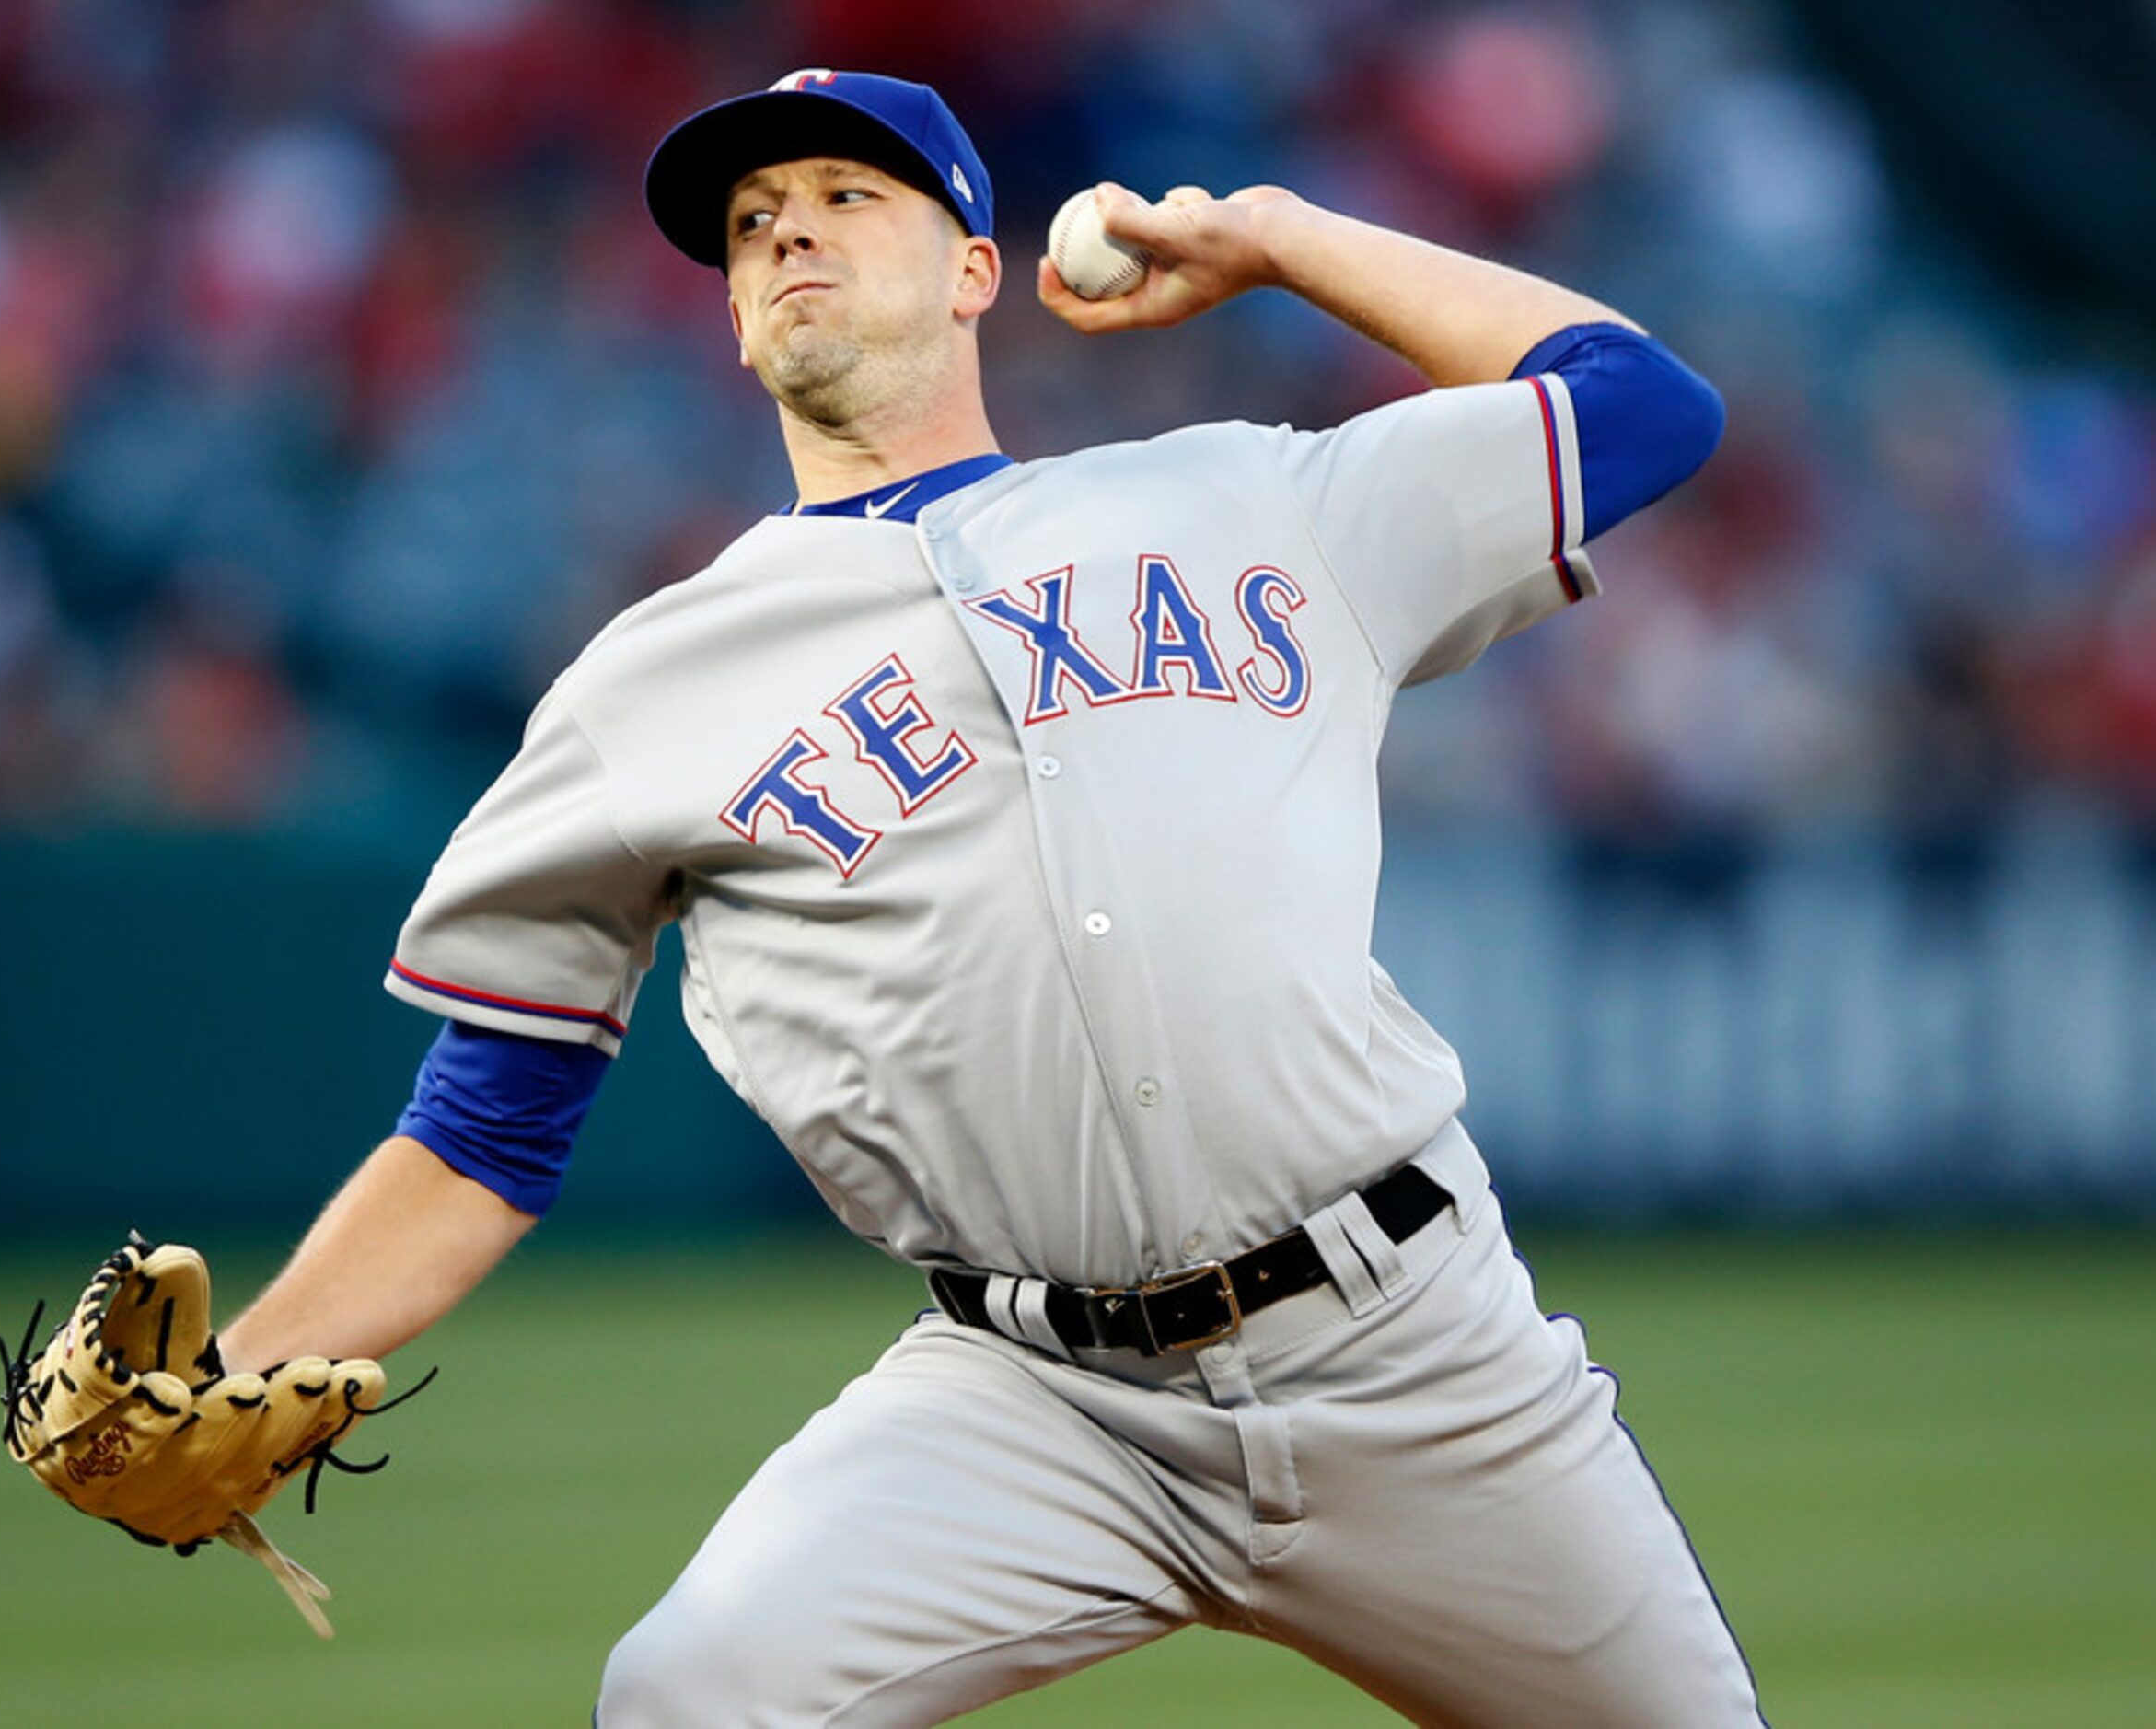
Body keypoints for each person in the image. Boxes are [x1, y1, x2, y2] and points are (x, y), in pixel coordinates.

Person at [215, 69, 1755, 1725]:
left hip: (1410, 1349)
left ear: (973, 268)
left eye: (846, 193)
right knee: (685, 1696)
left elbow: (1641, 404)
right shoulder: (642, 688)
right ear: (736, 318)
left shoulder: (1254, 498)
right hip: (1037, 1399)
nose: (788, 225)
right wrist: (241, 1371)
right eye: (751, 223)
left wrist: (1281, 240)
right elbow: (485, 1126)